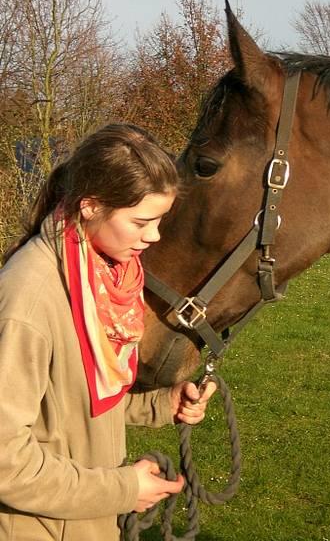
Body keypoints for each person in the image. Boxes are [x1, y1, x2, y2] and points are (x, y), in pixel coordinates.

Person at [0, 123, 216, 541]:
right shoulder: (28, 301)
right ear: (91, 206)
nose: (152, 237)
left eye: (159, 221)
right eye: (141, 222)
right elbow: (5, 460)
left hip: (83, 523)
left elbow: (70, 405)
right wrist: (123, 489)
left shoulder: (95, 278)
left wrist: (161, 403)